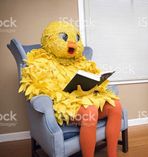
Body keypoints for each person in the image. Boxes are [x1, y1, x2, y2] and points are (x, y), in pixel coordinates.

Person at [19, 21, 122, 157]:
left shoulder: (81, 62)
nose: (72, 43)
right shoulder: (40, 63)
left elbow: (91, 83)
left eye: (76, 38)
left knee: (115, 105)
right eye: (64, 37)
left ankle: (112, 155)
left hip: (85, 99)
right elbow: (39, 89)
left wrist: (94, 85)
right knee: (90, 112)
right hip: (64, 106)